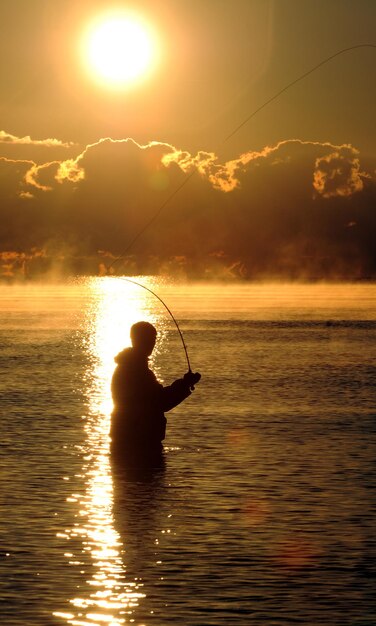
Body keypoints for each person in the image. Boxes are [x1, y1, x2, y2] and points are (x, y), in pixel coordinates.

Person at [111, 321, 200, 455]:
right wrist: (185, 384)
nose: (153, 343)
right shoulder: (136, 371)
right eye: (150, 339)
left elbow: (157, 399)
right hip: (138, 443)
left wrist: (184, 384)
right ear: (138, 340)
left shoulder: (131, 367)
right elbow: (160, 402)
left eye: (154, 339)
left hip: (133, 440)